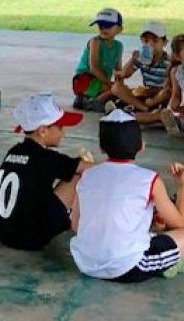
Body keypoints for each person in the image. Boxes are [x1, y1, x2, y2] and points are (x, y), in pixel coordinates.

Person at [70, 109, 184, 282]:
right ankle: (171, 263)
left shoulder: (87, 175)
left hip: (85, 263)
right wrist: (181, 186)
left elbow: (76, 225)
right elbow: (179, 224)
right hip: (128, 267)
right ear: (141, 145)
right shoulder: (149, 179)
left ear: (101, 147)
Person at [0, 94, 90, 251]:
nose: (64, 133)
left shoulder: (14, 151)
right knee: (77, 174)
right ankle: (76, 223)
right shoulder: (46, 158)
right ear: (43, 131)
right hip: (30, 238)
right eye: (60, 127)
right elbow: (89, 167)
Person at [109, 22, 170, 124]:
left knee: (166, 93)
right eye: (146, 41)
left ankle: (138, 109)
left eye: (155, 41)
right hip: (146, 96)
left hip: (160, 95)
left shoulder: (168, 61)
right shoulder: (142, 58)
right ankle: (144, 108)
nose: (150, 45)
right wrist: (133, 60)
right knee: (116, 87)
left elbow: (169, 87)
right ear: (142, 41)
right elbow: (125, 74)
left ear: (164, 43)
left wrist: (153, 94)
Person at [72, 8, 124, 112]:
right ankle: (89, 101)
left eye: (108, 26)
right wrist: (111, 84)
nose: (103, 29)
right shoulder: (95, 42)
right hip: (86, 81)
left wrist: (120, 85)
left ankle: (100, 100)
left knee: (121, 91)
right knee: (114, 90)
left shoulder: (119, 46)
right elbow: (93, 68)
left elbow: (118, 71)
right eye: (100, 26)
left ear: (119, 29)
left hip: (102, 83)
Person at [161, 34, 184, 136]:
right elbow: (176, 95)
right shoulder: (176, 71)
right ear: (178, 56)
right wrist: (171, 108)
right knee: (161, 115)